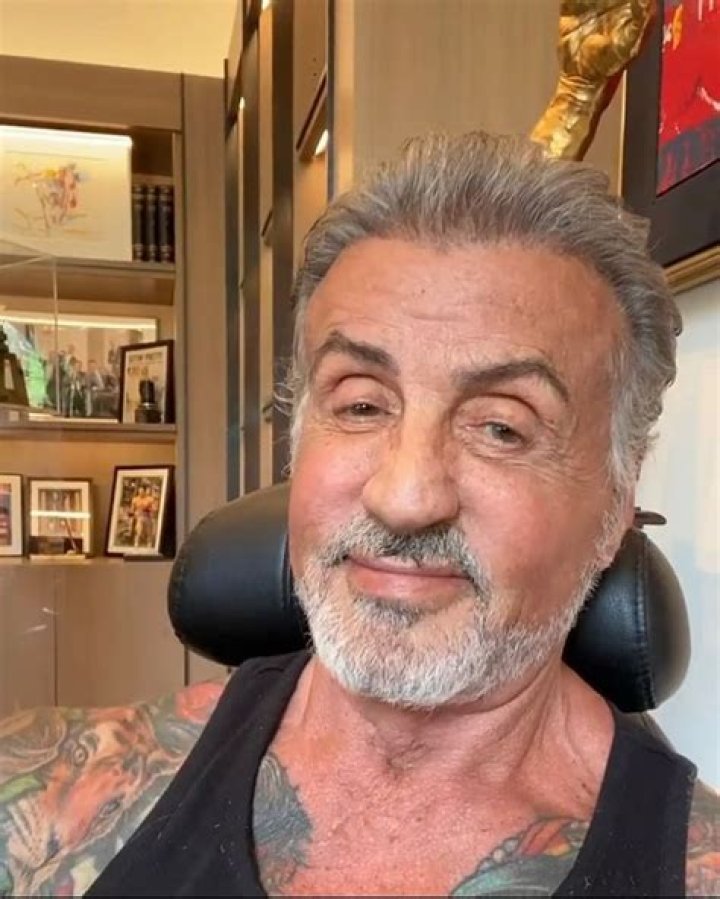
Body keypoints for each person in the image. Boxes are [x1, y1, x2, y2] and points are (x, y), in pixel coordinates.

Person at [0, 132, 718, 897]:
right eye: (362, 404)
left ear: (616, 503)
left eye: (501, 427)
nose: (404, 497)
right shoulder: (53, 791)